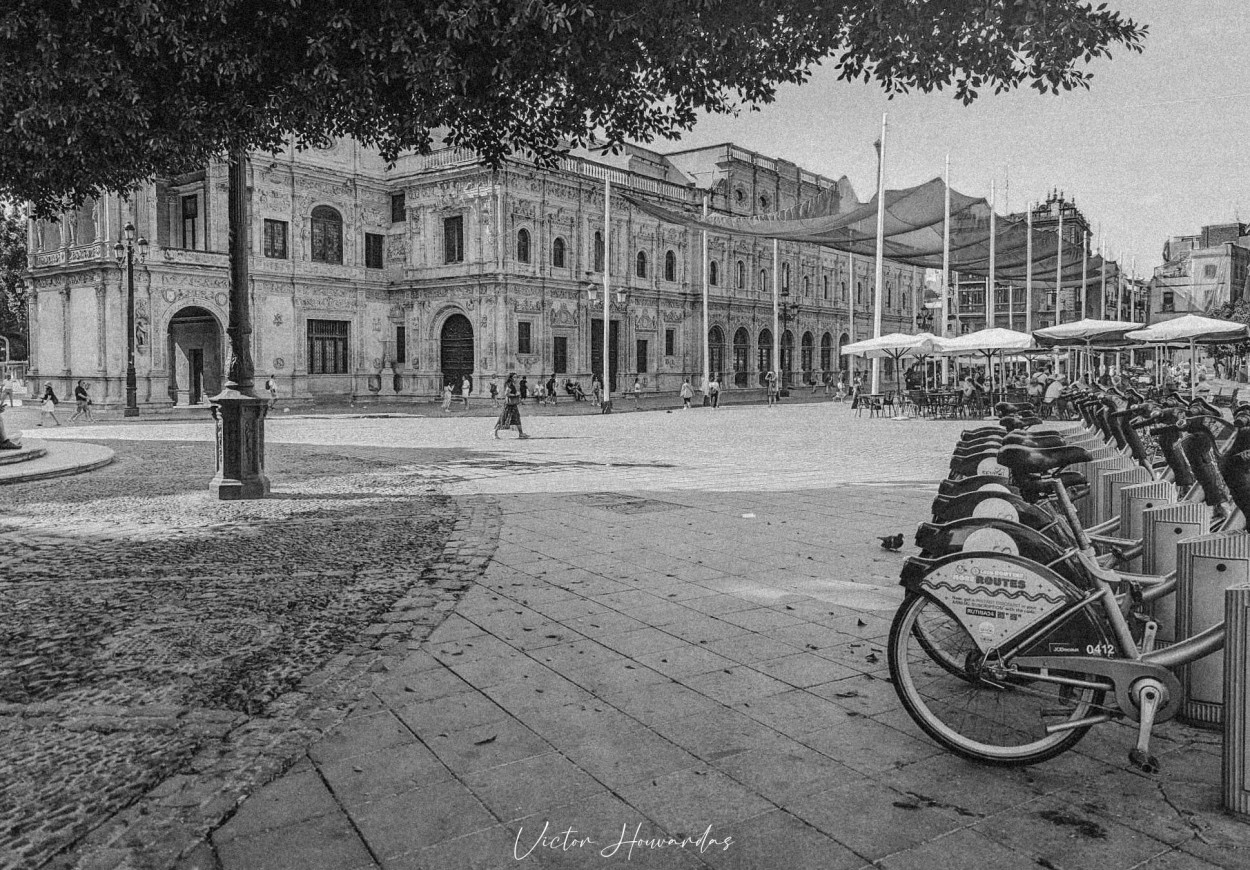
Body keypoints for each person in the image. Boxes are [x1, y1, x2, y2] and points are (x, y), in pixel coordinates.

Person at [494, 373, 529, 439]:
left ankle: (521, 433)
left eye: (516, 377)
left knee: (516, 418)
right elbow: (506, 393)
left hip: (513, 405)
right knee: (504, 418)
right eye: (514, 377)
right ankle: (495, 433)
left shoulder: (511, 385)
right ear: (511, 378)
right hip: (509, 406)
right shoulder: (510, 385)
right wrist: (515, 394)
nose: (515, 378)